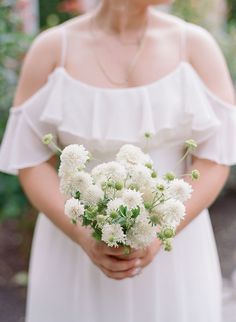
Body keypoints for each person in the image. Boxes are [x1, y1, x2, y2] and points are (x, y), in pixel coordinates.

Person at [0, 0, 236, 321]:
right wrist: (84, 234)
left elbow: (216, 158)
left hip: (176, 246)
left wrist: (158, 233)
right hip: (72, 247)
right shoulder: (53, 49)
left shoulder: (195, 46)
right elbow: (29, 161)